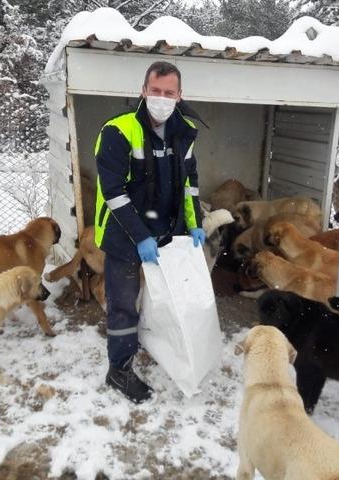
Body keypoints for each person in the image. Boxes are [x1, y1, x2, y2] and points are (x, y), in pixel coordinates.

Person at [93, 61, 205, 403]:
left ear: (179, 95)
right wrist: (140, 235)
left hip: (167, 234)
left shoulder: (183, 132)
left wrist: (195, 223)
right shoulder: (118, 130)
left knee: (167, 299)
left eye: (169, 93)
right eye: (155, 91)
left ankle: (162, 348)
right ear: (143, 91)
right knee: (124, 305)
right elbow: (113, 192)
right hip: (123, 234)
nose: (161, 98)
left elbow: (189, 184)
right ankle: (119, 369)